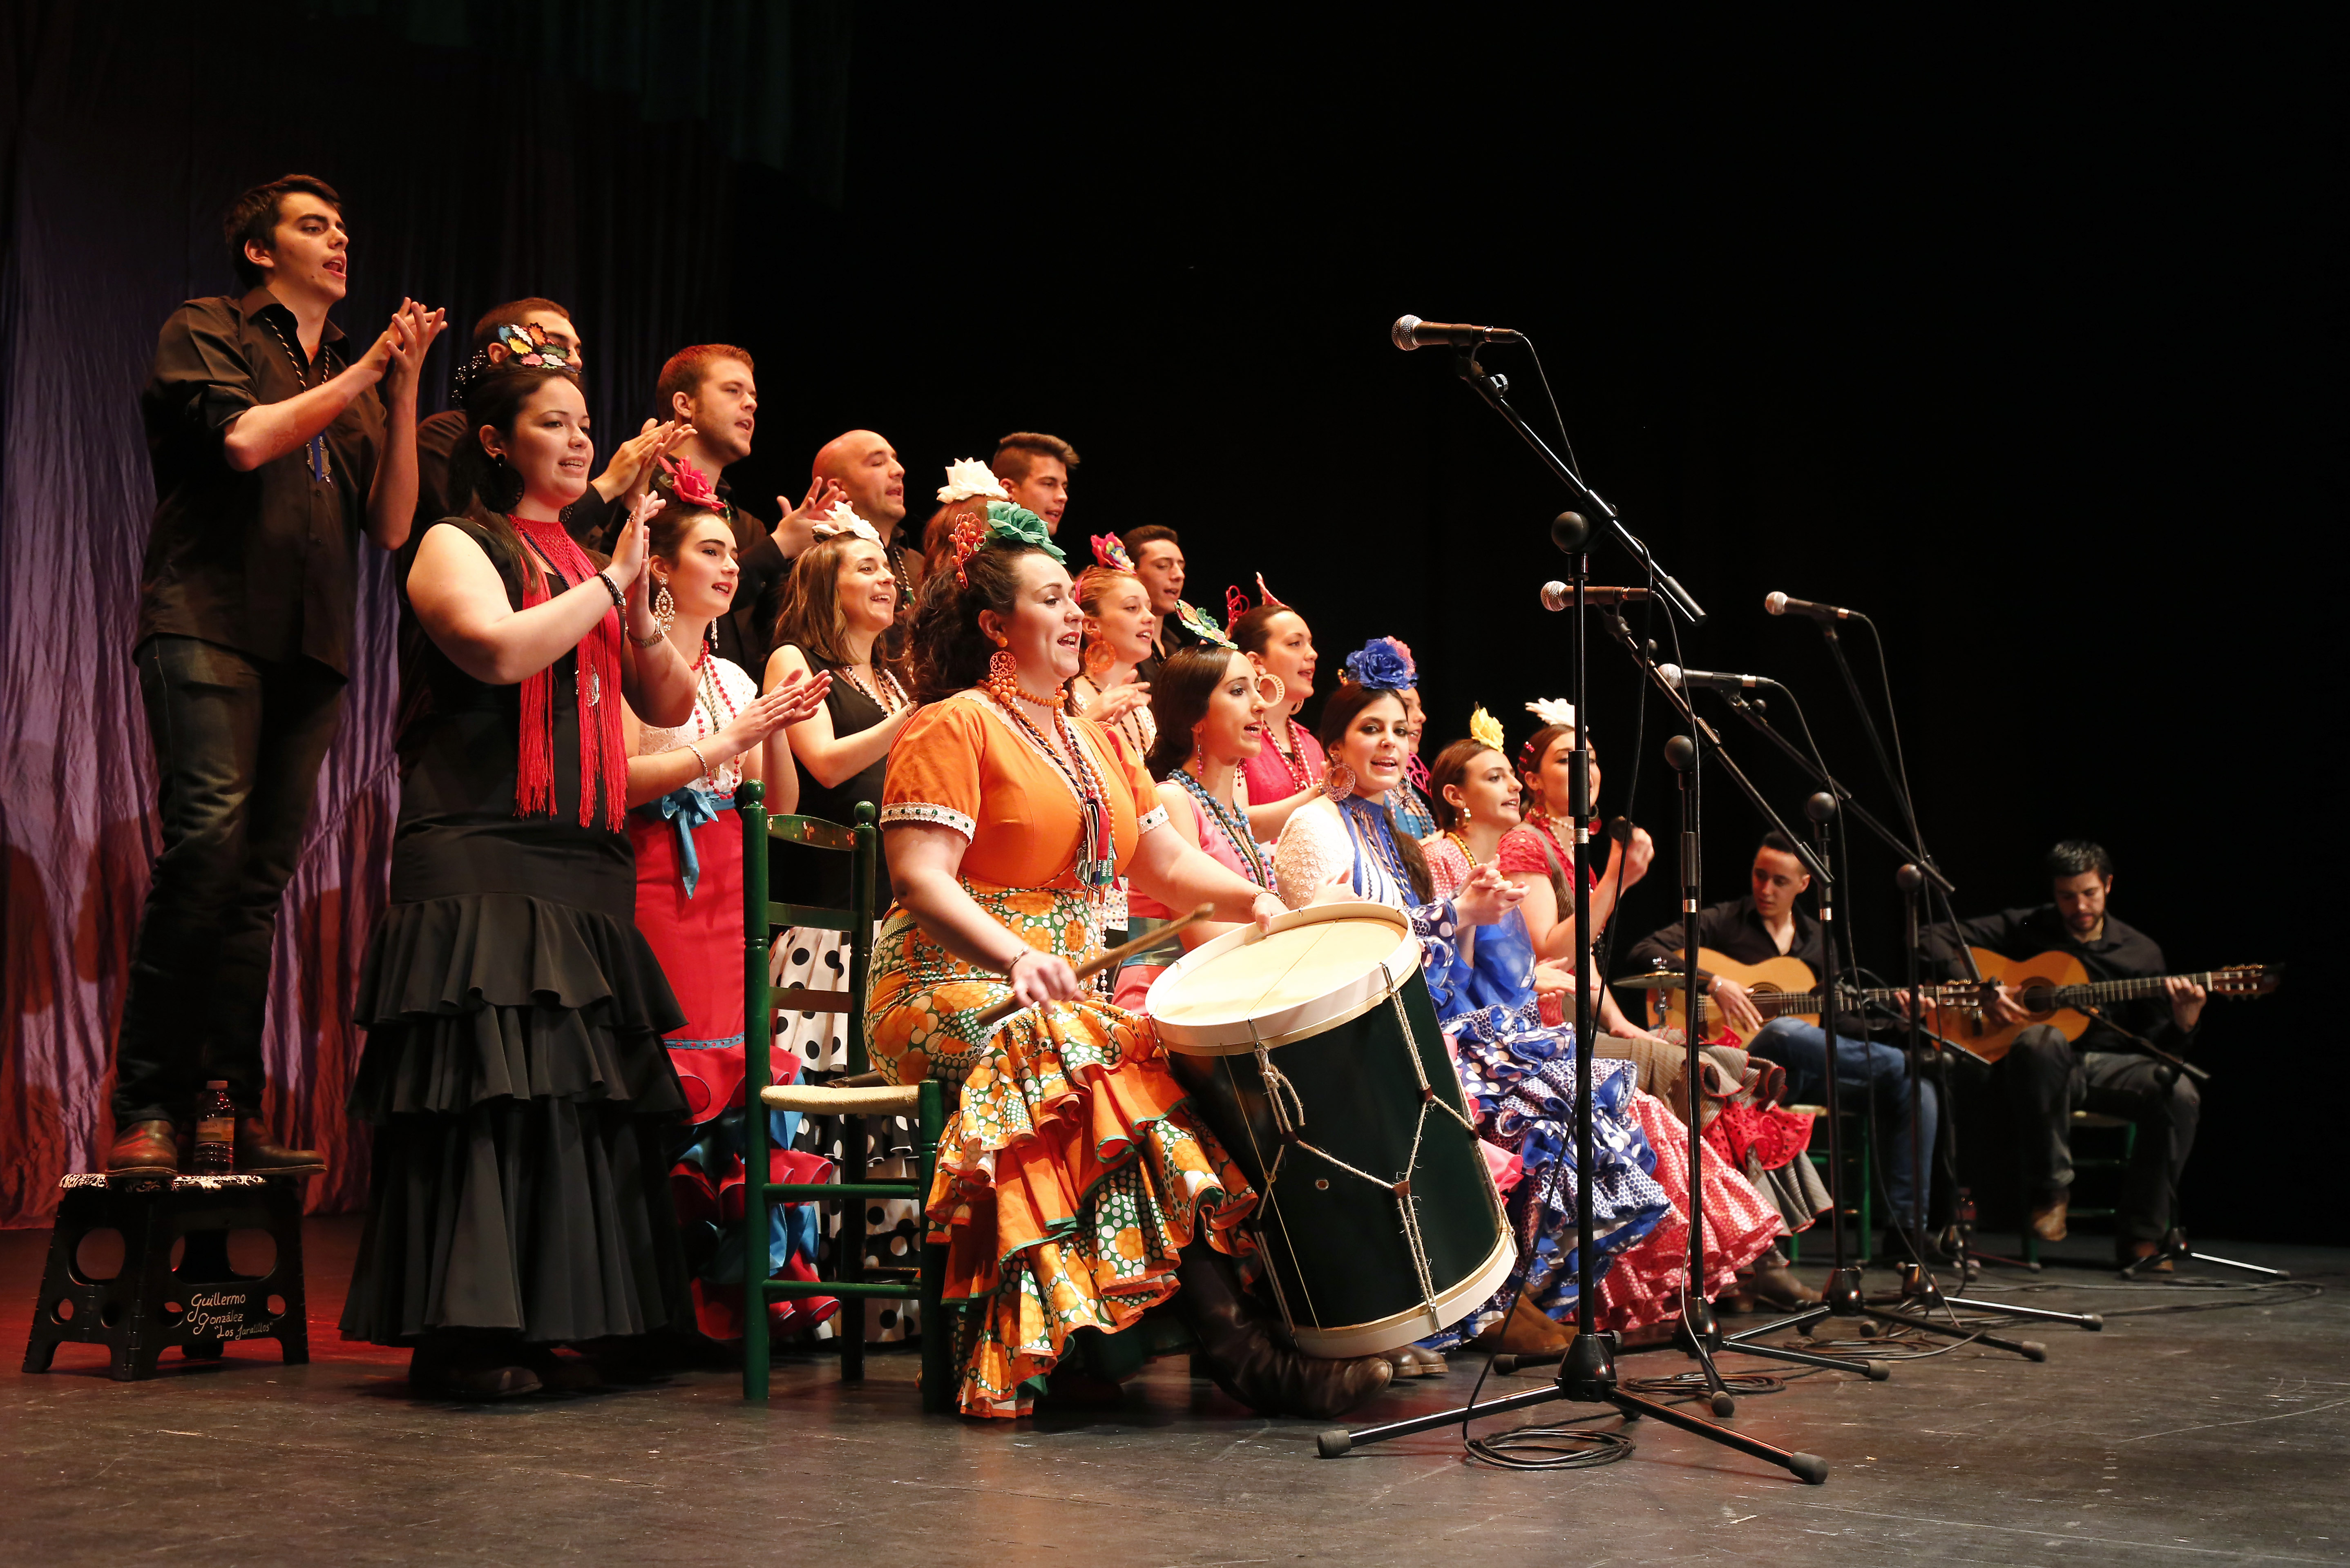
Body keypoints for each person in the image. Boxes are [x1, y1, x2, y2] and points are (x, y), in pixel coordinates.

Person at [871, 502, 1389, 1419]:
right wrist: (1018, 955)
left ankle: (1266, 1323)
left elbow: (1160, 859)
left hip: (1059, 1004)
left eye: (1071, 599)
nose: (1074, 616)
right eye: (1047, 601)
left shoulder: (1095, 733)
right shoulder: (952, 724)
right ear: (996, 627)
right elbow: (920, 880)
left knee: (1174, 1057)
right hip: (943, 988)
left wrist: (1249, 894)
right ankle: (1240, 1353)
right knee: (1088, 1047)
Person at [340, 360, 703, 1397]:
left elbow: (669, 703)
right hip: (482, 840)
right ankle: (466, 1332)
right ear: (498, 443)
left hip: (581, 850)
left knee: (572, 1091)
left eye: (586, 425)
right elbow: (495, 652)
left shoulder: (592, 559)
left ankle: (579, 1316)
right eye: (555, 425)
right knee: (492, 1090)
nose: (582, 442)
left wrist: (637, 604)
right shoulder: (456, 541)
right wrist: (605, 583)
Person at [109, 173, 446, 1176]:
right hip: (206, 626)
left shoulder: (352, 371)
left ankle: (226, 1106)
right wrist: (362, 375)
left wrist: (402, 386)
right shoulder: (207, 326)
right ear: (261, 251)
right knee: (206, 848)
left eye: (344, 227)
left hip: (310, 648)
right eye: (312, 226)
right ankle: (147, 1105)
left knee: (256, 885)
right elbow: (248, 440)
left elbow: (390, 525)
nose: (337, 240)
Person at [622, 490, 834, 1346]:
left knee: (741, 1083)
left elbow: (774, 804)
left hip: (731, 888)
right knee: (668, 1083)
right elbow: (628, 775)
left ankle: (732, 1297)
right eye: (708, 550)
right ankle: (651, 1298)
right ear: (662, 569)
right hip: (655, 882)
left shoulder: (733, 675)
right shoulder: (631, 663)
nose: (728, 564)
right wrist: (732, 734)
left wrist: (773, 722)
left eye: (731, 553)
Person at [1412, 721, 1675, 1351]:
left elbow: (1531, 965)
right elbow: (1458, 974)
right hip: (1474, 1037)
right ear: (1455, 794)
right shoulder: (1449, 857)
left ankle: (1567, 1293)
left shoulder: (1490, 861)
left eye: (1509, 773)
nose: (1509, 788)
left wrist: (1592, 1003)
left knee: (1617, 1112)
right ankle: (1514, 1295)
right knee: (1575, 1106)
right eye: (1495, 776)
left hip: (1514, 1028)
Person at [1627, 831, 1942, 1260]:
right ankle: (1900, 1063)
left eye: (1779, 880)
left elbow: (1836, 1023)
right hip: (1743, 1074)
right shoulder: (1725, 920)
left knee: (1916, 1090)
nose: (1765, 889)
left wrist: (1898, 1019)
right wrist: (1713, 983)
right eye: (1759, 876)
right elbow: (1646, 951)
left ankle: (1906, 1234)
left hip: (1803, 1077)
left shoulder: (1817, 940)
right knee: (1784, 1032)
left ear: (1805, 884)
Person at [1935, 840, 2204, 1270]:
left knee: (2180, 1093)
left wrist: (2183, 1022)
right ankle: (2052, 1190)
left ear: (2108, 885)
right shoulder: (2027, 927)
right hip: (2032, 1069)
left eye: (2089, 893)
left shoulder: (2140, 952)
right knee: (2043, 1039)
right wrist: (1982, 987)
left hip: (2108, 1068)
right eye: (2066, 895)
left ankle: (2143, 1236)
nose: (2078, 905)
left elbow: (2160, 1050)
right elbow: (1933, 936)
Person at [763, 509, 921, 1075]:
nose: (888, 579)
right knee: (834, 1081)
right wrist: (911, 715)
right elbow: (825, 765)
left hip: (891, 904)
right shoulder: (796, 659)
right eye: (867, 567)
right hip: (831, 911)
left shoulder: (891, 675)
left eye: (888, 568)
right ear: (829, 587)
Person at [413, 300, 670, 549]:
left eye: (584, 428)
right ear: (500, 355)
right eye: (557, 345)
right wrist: (609, 484)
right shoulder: (446, 432)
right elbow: (486, 542)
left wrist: (633, 492)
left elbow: (596, 566)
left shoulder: (556, 467)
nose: (576, 362)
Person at [653, 345, 841, 671]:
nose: (751, 403)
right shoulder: (645, 494)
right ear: (685, 405)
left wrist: (800, 563)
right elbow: (645, 599)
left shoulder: (745, 523)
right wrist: (777, 546)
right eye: (732, 390)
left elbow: (774, 629)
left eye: (752, 395)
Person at [1110, 639, 1271, 1011]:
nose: (1260, 704)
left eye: (1257, 688)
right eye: (1238, 691)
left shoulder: (1229, 808)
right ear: (1196, 716)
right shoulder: (1172, 798)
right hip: (1163, 1006)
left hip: (1214, 998)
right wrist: (1298, 923)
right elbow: (1204, 935)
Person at [1069, 538, 1159, 939]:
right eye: (1131, 608)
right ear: (1090, 624)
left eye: (1149, 608)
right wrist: (1090, 720)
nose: (1148, 618)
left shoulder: (1142, 704)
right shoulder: (1070, 693)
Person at [1230, 579, 1325, 843]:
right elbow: (1232, 825)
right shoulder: (1234, 735)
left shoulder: (1311, 744)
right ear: (1256, 662)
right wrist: (1322, 791)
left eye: (1310, 643)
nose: (1312, 654)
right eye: (1295, 644)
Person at [1340, 638, 1437, 839]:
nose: (1421, 717)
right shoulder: (1350, 796)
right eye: (1407, 706)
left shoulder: (1405, 789)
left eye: (1419, 707)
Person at [1121, 524, 1188, 670]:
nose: (1179, 575)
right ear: (1131, 571)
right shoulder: (1121, 647)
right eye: (1163, 566)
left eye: (1181, 568)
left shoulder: (1177, 649)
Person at [990, 430, 1076, 535]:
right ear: (1008, 490)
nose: (1063, 497)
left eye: (1064, 487)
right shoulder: (973, 547)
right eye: (1049, 484)